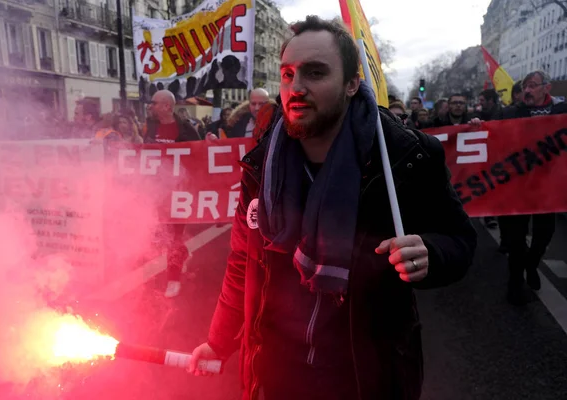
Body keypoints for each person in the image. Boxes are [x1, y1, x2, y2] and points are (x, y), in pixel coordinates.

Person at [189, 16, 476, 399]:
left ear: (352, 84)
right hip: (273, 376)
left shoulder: (404, 158)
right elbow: (243, 260)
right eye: (288, 74)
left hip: (362, 377)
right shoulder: (261, 166)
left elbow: (459, 240)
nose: (296, 88)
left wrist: (432, 253)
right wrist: (219, 341)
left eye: (315, 73)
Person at [470, 70, 567, 305]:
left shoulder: (562, 112)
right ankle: (514, 284)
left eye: (533, 86)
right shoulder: (511, 112)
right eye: (525, 86)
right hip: (518, 186)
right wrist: (478, 126)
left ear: (547, 88)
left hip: (549, 188)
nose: (527, 90)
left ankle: (531, 264)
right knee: (515, 238)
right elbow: (493, 135)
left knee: (544, 235)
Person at [142, 90, 201, 298]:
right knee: (159, 234)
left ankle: (173, 278)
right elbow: (143, 152)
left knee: (173, 236)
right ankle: (182, 254)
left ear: (167, 106)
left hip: (179, 192)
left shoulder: (186, 129)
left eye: (154, 103)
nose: (151, 106)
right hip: (157, 191)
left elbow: (200, 156)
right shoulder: (151, 126)